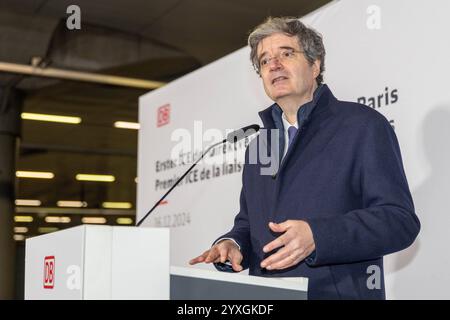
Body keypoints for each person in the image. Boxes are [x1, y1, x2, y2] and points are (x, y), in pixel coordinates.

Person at [189, 16, 420, 299]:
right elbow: (250, 224)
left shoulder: (362, 126)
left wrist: (318, 236)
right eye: (264, 60)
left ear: (315, 65)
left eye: (286, 53)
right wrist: (233, 244)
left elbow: (398, 221)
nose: (273, 64)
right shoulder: (260, 145)